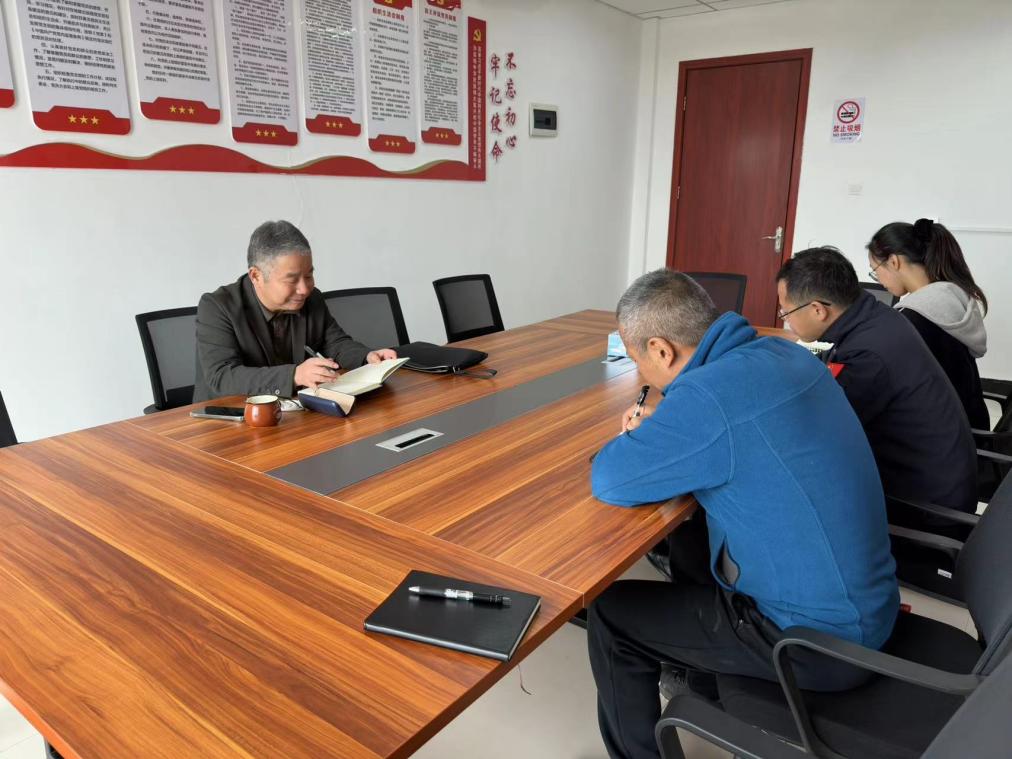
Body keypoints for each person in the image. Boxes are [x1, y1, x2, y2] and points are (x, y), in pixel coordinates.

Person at [588, 269, 899, 759]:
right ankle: (705, 684)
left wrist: (652, 432)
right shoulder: (781, 353)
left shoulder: (709, 398)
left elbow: (611, 479)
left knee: (611, 614)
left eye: (637, 360)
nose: (642, 375)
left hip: (814, 644)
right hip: (867, 605)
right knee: (690, 537)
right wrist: (674, 425)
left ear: (661, 351)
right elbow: (735, 427)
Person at [775, 247, 977, 517]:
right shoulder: (875, 317)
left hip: (926, 507)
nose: (786, 319)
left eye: (786, 311)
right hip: (939, 480)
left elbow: (819, 434)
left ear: (818, 310)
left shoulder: (868, 356)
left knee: (786, 494)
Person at [194, 220, 397, 402]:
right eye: (291, 280)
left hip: (294, 411)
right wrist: (294, 375)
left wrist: (366, 357)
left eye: (308, 276)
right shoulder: (217, 307)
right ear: (256, 276)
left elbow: (335, 343)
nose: (304, 289)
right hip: (231, 416)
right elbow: (222, 376)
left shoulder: (311, 298)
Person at [867, 218, 989, 429]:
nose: (879, 280)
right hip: (971, 425)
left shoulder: (912, 319)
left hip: (943, 436)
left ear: (894, 262)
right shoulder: (953, 298)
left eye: (875, 271)